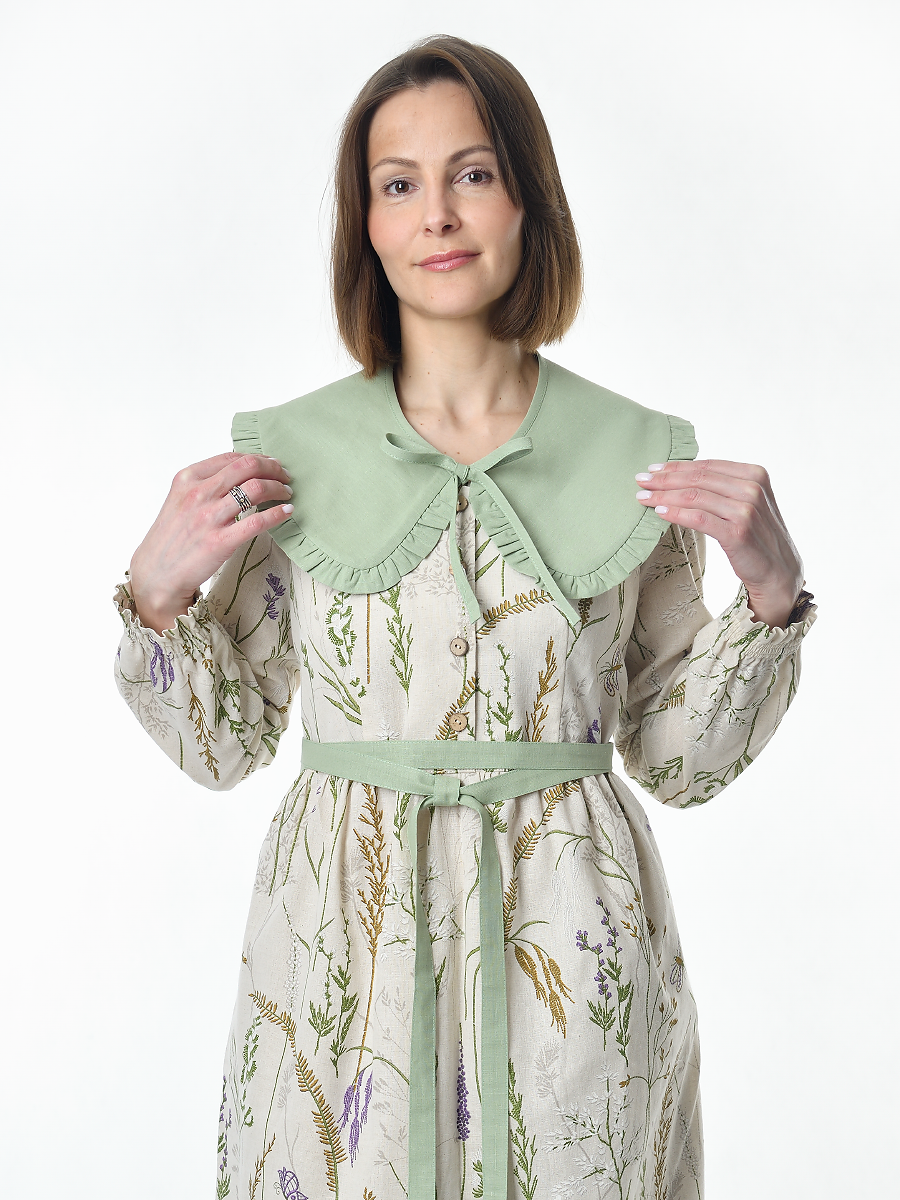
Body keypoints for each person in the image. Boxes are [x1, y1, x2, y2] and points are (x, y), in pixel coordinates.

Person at [114, 34, 815, 1200]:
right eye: (399, 184)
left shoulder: (637, 460)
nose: (437, 213)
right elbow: (223, 748)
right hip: (342, 962)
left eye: (473, 173)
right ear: (366, 224)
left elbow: (679, 762)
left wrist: (772, 597)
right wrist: (155, 596)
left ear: (528, 197)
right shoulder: (288, 461)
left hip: (574, 955)